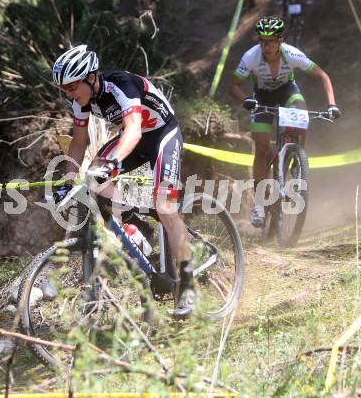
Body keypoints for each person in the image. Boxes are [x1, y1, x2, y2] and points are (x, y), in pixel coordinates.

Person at [51, 44, 195, 317]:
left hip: (161, 134)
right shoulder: (80, 103)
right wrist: (67, 181)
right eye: (64, 89)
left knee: (165, 208)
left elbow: (133, 131)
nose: (68, 93)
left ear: (90, 77)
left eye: (72, 87)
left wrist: (114, 162)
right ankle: (137, 223)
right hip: (135, 140)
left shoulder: (121, 85)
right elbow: (79, 143)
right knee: (94, 178)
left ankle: (188, 288)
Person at [229, 16, 340, 228]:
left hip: (287, 91)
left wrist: (332, 104)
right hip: (261, 97)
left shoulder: (291, 54)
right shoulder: (251, 57)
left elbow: (322, 76)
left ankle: (298, 159)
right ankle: (259, 204)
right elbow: (233, 85)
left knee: (302, 112)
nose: (266, 45)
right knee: (261, 148)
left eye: (270, 40)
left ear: (280, 40)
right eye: (262, 40)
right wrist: (247, 100)